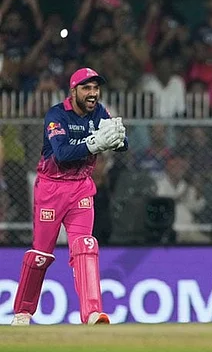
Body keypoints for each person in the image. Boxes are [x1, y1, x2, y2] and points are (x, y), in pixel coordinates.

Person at [10, 68, 128, 326]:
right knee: (41, 254)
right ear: (73, 91)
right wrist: (93, 144)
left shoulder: (99, 112)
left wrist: (118, 140)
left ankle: (93, 313)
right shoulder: (56, 115)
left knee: (85, 245)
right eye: (87, 88)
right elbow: (62, 154)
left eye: (96, 88)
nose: (93, 93)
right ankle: (22, 312)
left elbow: (123, 142)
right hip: (51, 188)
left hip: (81, 188)